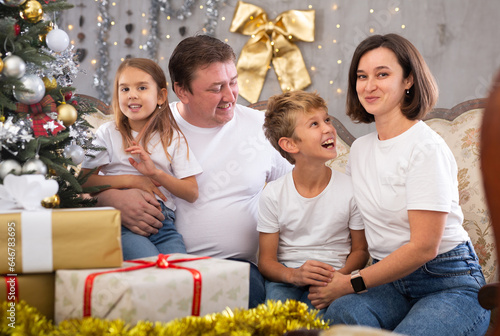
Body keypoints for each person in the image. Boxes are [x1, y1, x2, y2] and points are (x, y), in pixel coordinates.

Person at [308, 34, 490, 335]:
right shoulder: (361, 151)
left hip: (447, 282)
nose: (369, 85)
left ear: (408, 81)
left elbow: (423, 247)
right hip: (389, 283)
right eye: (362, 76)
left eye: (382, 74)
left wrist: (351, 282)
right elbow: (346, 221)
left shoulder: (425, 148)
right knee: (342, 314)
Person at [95, 35, 293, 308]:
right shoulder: (150, 125)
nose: (230, 96)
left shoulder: (261, 128)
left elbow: (300, 190)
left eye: (233, 82)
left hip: (234, 266)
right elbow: (81, 184)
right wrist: (108, 198)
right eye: (216, 88)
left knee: (247, 293)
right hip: (157, 255)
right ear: (181, 91)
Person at [257, 90, 368, 314]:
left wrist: (341, 278)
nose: (328, 128)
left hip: (335, 278)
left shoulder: (351, 189)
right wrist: (293, 275)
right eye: (314, 124)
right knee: (278, 319)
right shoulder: (273, 194)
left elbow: (361, 250)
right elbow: (266, 262)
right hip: (285, 279)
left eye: (326, 119)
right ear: (289, 145)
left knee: (317, 320)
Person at [81, 58, 202, 260]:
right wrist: (132, 180)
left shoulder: (172, 137)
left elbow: (191, 192)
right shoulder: (108, 133)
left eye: (142, 87)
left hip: (162, 223)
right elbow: (85, 182)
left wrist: (155, 173)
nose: (132, 95)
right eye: (125, 89)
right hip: (121, 221)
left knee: (182, 272)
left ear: (161, 96)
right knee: (147, 264)